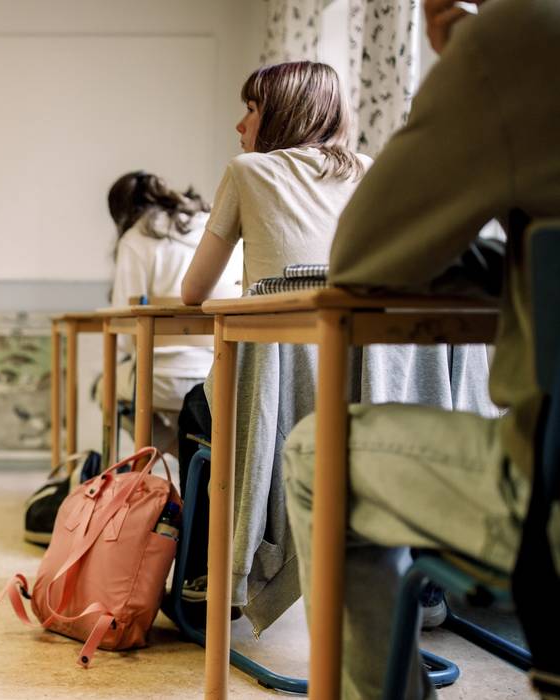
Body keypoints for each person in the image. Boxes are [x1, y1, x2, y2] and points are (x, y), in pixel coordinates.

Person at [283, 0, 560, 696]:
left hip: (548, 508)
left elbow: (361, 257)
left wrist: (466, 51)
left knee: (314, 455)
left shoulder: (519, 37)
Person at [175, 61, 494, 632]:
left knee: (196, 412)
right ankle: (413, 576)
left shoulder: (248, 171)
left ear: (283, 113)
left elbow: (193, 291)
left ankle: (213, 585)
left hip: (283, 406)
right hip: (377, 401)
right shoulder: (370, 172)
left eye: (251, 107)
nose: (239, 122)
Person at [104, 171, 240, 455]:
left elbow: (126, 329)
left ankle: (180, 450)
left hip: (158, 378)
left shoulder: (136, 237)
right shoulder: (213, 224)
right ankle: (196, 452)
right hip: (219, 372)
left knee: (104, 389)